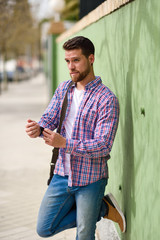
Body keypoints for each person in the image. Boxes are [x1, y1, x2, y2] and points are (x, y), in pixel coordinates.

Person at [25, 36, 126, 239]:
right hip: (62, 173)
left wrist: (65, 143)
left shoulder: (107, 99)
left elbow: (103, 145)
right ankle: (103, 210)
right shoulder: (64, 89)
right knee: (44, 228)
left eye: (76, 60)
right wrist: (38, 128)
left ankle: (92, 214)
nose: (71, 67)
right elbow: (50, 117)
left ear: (91, 59)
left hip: (91, 178)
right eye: (67, 61)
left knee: (84, 232)